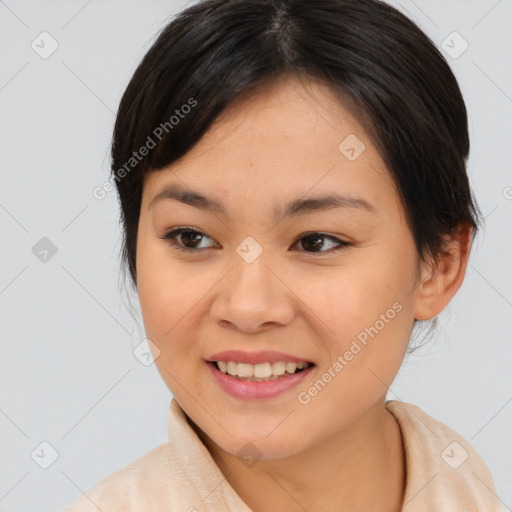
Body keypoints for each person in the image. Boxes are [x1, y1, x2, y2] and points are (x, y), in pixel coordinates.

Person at [62, 0, 504, 510]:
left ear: (439, 264)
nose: (247, 308)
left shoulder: (457, 476)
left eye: (316, 241)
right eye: (191, 237)